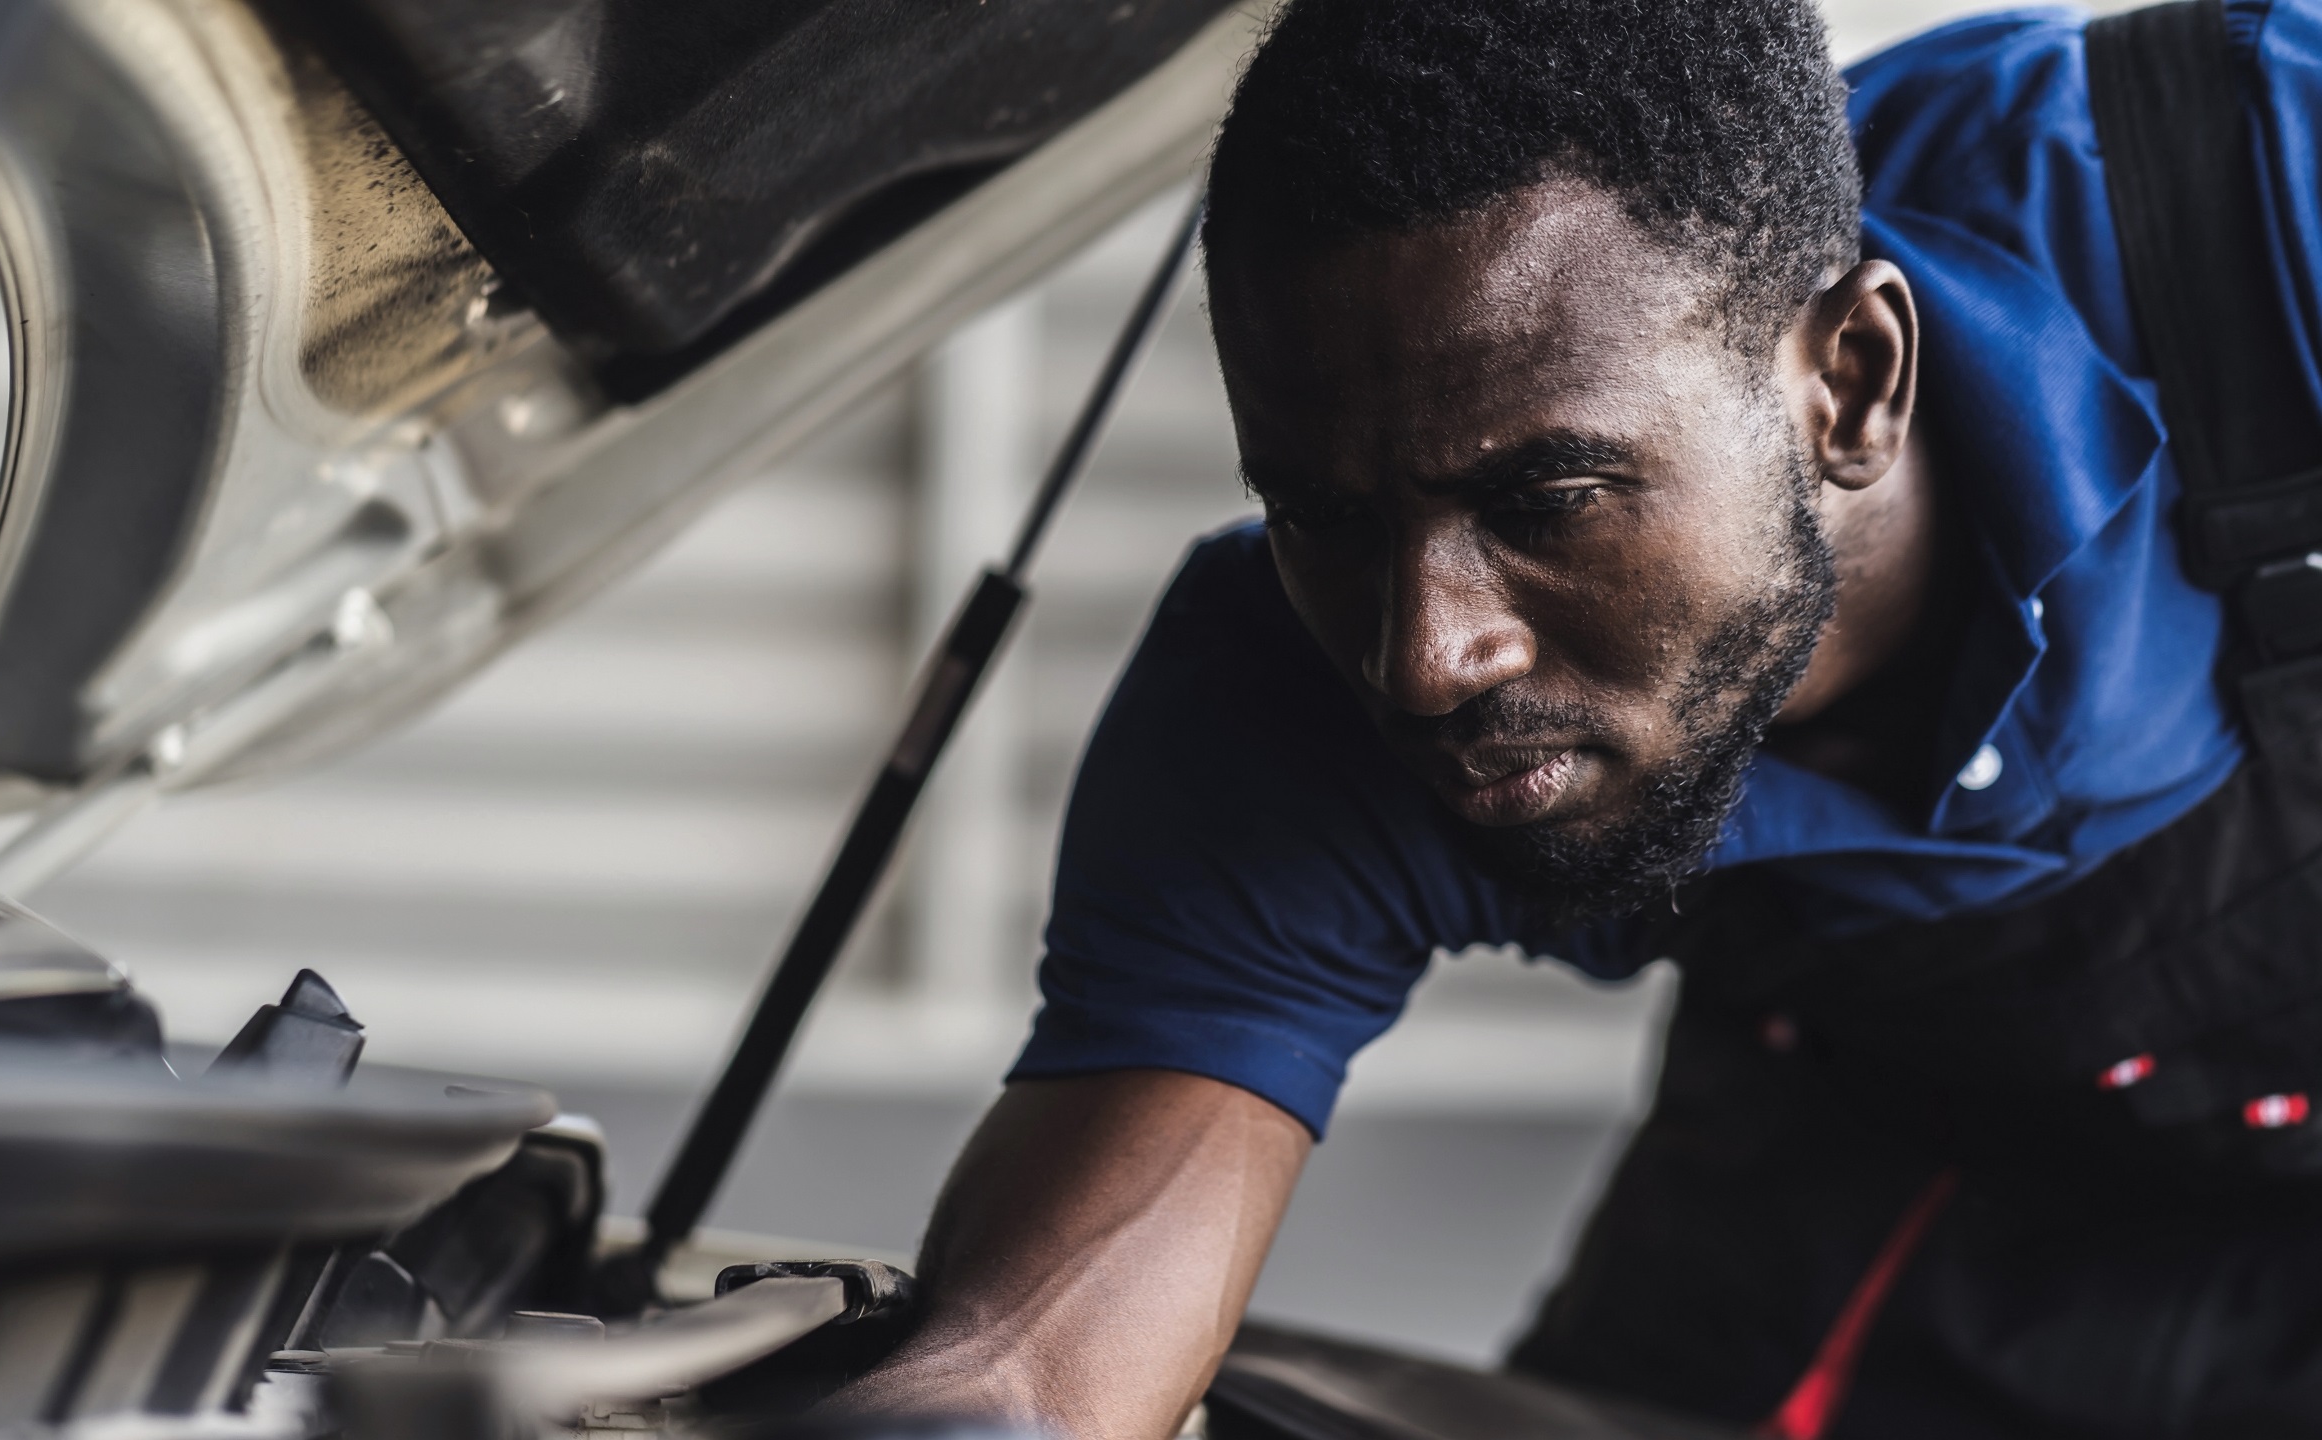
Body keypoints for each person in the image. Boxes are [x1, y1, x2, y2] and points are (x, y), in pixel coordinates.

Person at [837, 0, 2322, 1435]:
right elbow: (1031, 1374)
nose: (1427, 660)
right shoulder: (1287, 708)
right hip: (1856, 1208)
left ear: (1851, 384)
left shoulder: (2271, 199)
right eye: (1324, 513)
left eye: (1546, 499)